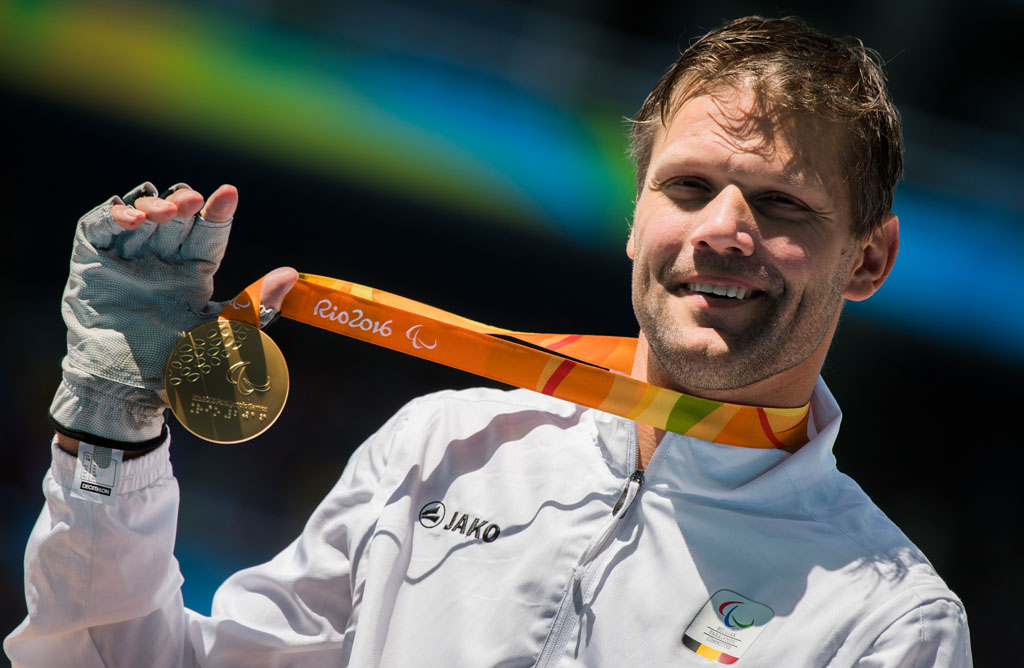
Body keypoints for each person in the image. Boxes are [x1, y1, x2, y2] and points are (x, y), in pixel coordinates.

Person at [5, 15, 971, 667]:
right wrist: (110, 427)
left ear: (867, 259)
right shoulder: (444, 449)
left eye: (781, 203)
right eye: (687, 187)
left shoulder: (884, 622)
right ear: (636, 220)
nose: (721, 228)